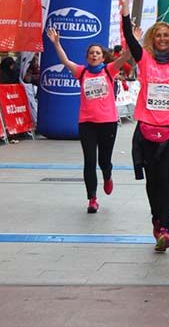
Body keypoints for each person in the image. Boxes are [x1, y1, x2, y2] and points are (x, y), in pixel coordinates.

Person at [122, 0, 169, 252]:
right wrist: (126, 8)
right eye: (159, 35)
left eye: (167, 35)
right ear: (152, 39)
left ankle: (164, 227)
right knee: (153, 181)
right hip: (147, 130)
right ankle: (156, 219)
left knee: (166, 178)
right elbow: (129, 38)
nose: (163, 38)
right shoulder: (144, 61)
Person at [46, 12, 133, 214]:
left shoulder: (109, 71)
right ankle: (92, 199)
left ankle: (108, 174)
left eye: (97, 53)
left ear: (103, 57)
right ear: (87, 57)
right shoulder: (81, 72)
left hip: (108, 122)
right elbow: (66, 61)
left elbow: (126, 57)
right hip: (86, 123)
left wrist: (132, 39)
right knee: (89, 162)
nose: (94, 55)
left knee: (104, 160)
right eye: (91, 53)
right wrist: (57, 44)